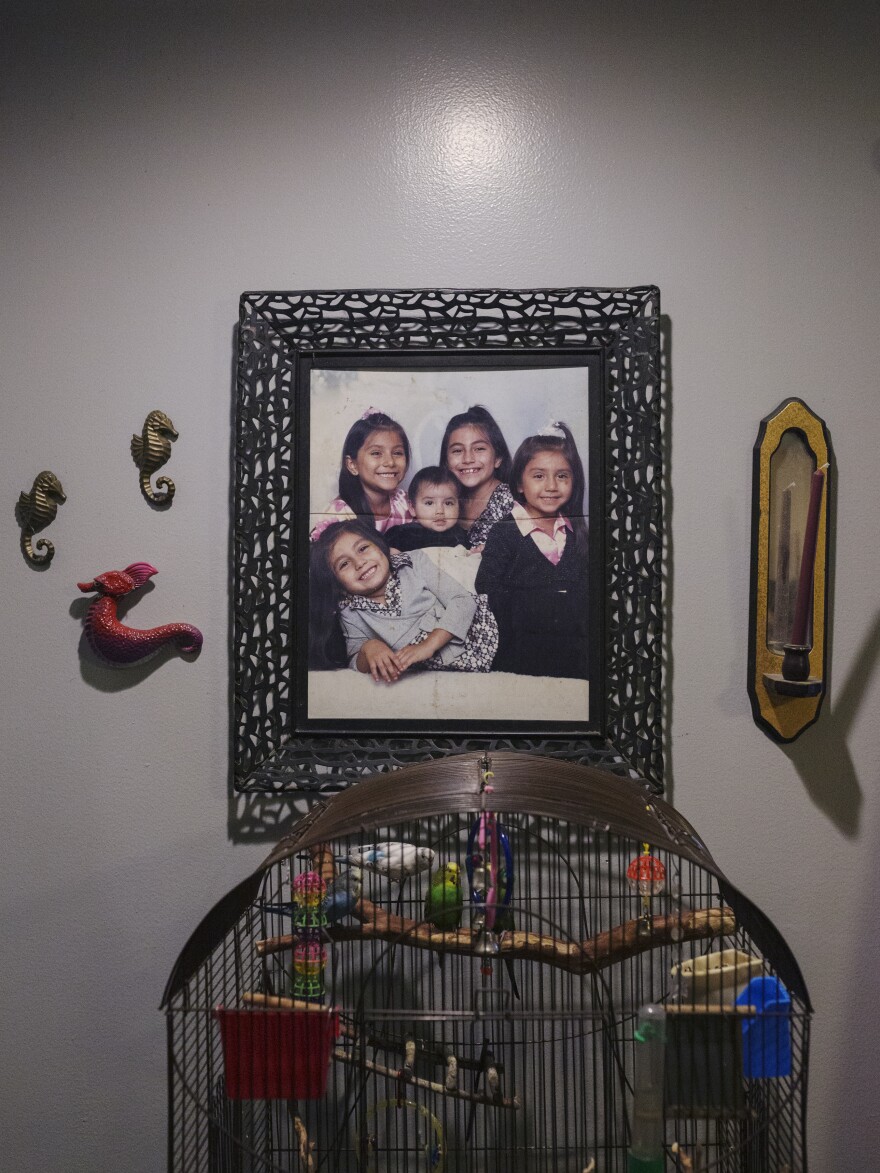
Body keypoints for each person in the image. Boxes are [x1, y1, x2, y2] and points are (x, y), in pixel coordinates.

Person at [309, 520, 498, 681]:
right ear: (338, 584)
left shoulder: (413, 563)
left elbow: (462, 601)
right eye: (344, 564)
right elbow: (354, 661)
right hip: (444, 675)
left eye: (363, 548)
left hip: (483, 633)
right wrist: (369, 648)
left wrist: (428, 645)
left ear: (381, 546)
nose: (360, 563)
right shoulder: (350, 609)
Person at [474, 421, 588, 679]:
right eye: (538, 476)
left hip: (571, 657)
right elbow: (487, 587)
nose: (551, 486)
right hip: (519, 656)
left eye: (562, 476)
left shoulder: (577, 534)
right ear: (520, 484)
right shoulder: (504, 532)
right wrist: (544, 605)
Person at [310, 411, 412, 541]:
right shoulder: (338, 515)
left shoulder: (406, 503)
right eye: (376, 453)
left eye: (397, 453)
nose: (390, 462)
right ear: (352, 465)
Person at [439, 405, 515, 548]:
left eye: (479, 449)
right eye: (457, 450)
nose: (468, 459)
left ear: (498, 458)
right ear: (446, 462)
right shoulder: (442, 499)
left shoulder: (511, 502)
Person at [384, 466, 470, 551]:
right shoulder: (401, 534)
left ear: (458, 506)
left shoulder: (461, 535)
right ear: (412, 508)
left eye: (448, 503)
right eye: (429, 503)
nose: (440, 511)